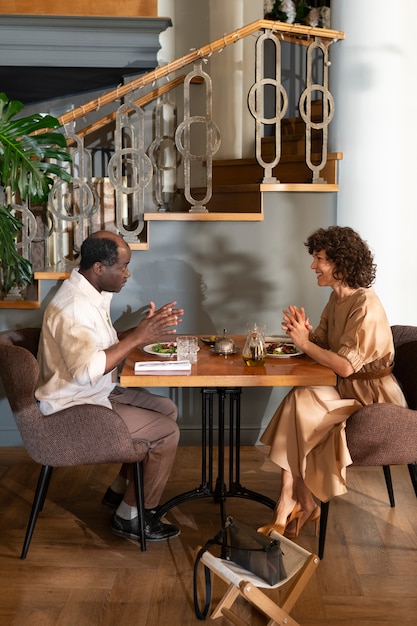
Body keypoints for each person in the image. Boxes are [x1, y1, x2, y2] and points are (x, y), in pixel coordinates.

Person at [258, 226, 407, 539]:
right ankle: (293, 497)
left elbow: (344, 366)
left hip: (374, 400)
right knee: (300, 399)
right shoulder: (336, 299)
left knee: (300, 404)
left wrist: (306, 343)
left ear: (341, 263)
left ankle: (295, 501)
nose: (313, 266)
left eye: (319, 259)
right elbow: (323, 344)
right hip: (347, 391)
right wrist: (305, 333)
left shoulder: (365, 304)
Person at [35, 231, 184, 542]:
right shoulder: (74, 307)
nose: (128, 274)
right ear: (100, 268)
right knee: (167, 431)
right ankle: (131, 516)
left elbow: (101, 346)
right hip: (73, 407)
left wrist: (144, 331)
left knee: (167, 409)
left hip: (94, 393)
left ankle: (119, 490)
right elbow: (86, 370)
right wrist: (136, 338)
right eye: (124, 266)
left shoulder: (90, 294)